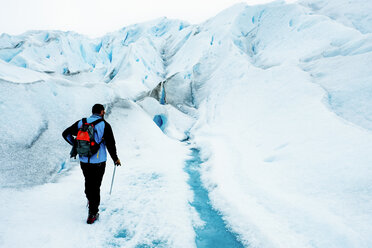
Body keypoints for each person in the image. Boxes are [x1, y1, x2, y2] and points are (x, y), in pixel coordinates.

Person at [62, 103, 121, 224]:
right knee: (96, 186)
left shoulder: (81, 122)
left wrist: (75, 145)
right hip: (98, 161)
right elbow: (111, 144)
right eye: (103, 111)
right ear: (101, 112)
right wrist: (115, 159)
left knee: (88, 182)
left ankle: (90, 199)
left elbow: (65, 133)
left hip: (84, 160)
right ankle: (92, 213)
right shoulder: (104, 125)